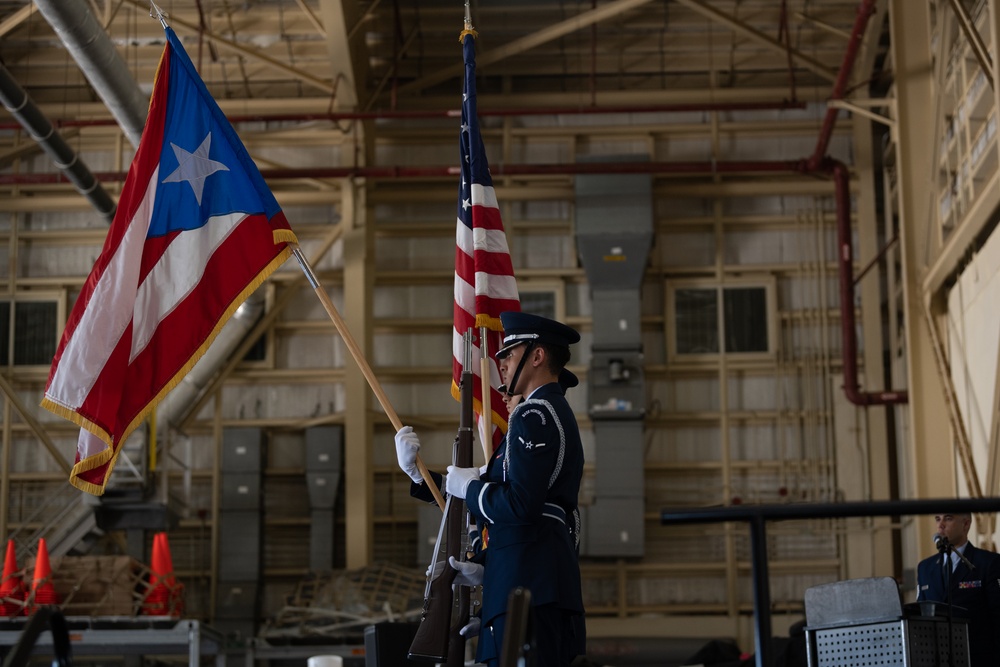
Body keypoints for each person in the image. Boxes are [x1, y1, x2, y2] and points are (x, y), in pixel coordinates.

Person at [395, 311, 586, 667]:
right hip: (522, 579)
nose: (501, 366)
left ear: (538, 356)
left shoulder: (535, 415)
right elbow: (495, 498)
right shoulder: (541, 415)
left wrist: (470, 489)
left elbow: (518, 504)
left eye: (509, 355)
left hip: (528, 584)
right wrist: (419, 475)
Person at [916, 511, 1000, 666]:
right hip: (937, 659)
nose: (940, 525)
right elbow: (920, 616)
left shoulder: (988, 563)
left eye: (948, 518)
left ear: (966, 524)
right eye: (937, 519)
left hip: (978, 658)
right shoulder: (925, 568)